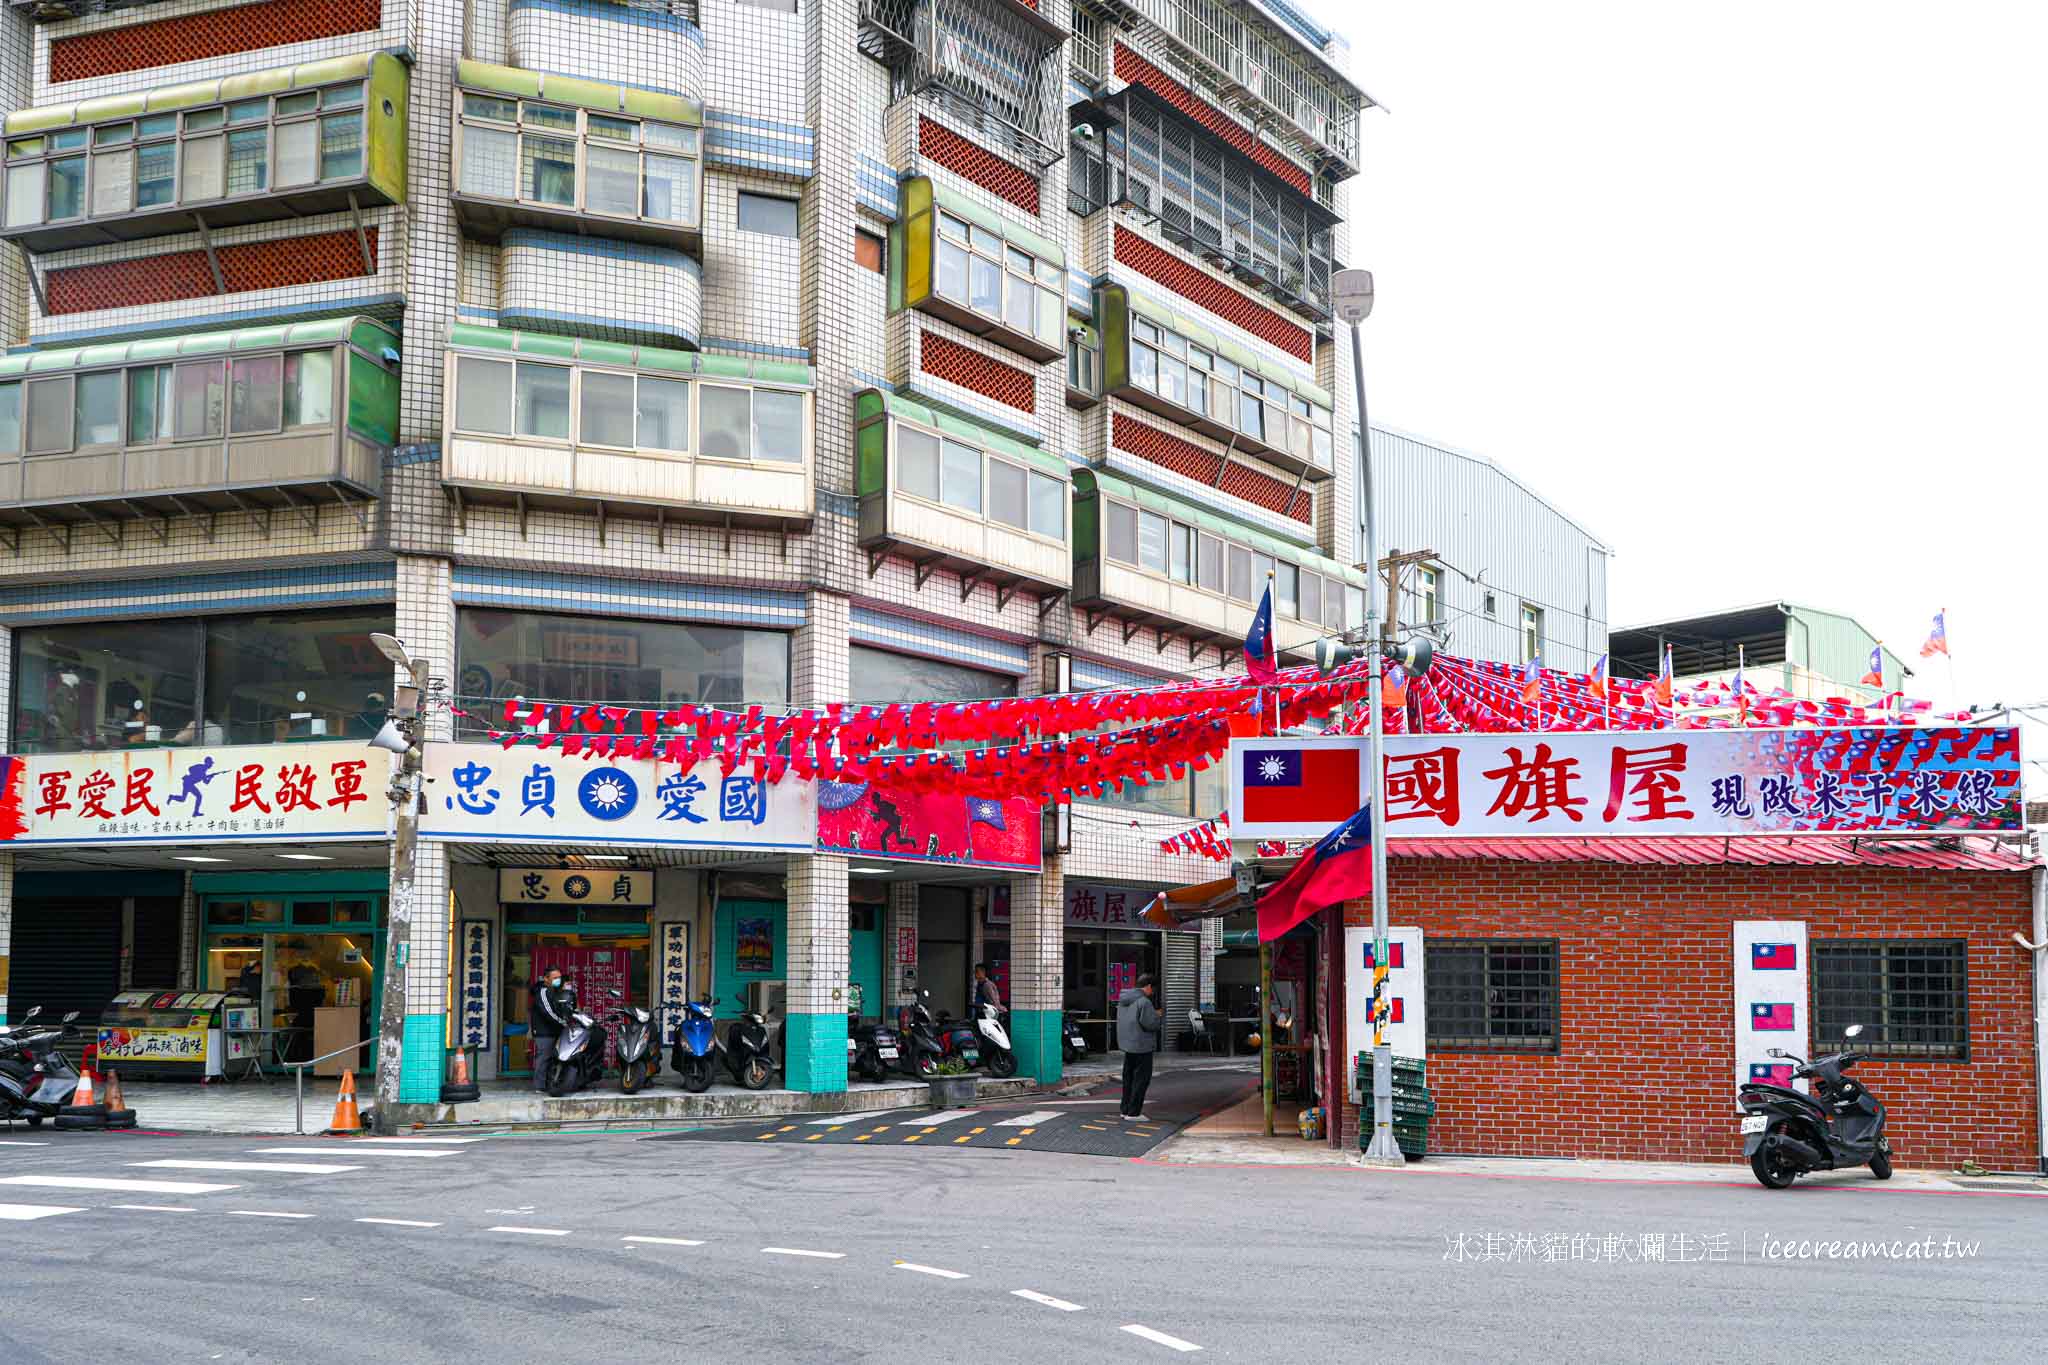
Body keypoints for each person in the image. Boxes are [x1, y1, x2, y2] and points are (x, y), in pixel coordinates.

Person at [1116, 973, 1161, 1121]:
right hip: (1142, 1046)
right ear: (1148, 986)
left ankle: (1125, 1110)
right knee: (1141, 1080)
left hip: (1128, 1045)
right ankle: (1134, 1113)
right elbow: (1150, 1024)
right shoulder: (1144, 1002)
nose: (1152, 993)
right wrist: (1157, 1016)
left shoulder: (1123, 1000)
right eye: (1152, 989)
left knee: (1128, 1079)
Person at [528, 967, 572, 1094]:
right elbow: (548, 1012)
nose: (558, 980)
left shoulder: (554, 991)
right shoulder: (542, 992)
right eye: (555, 978)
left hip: (555, 1029)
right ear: (546, 979)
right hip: (544, 1032)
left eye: (559, 978)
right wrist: (562, 1022)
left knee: (554, 1057)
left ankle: (550, 1084)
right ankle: (539, 1086)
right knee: (544, 1057)